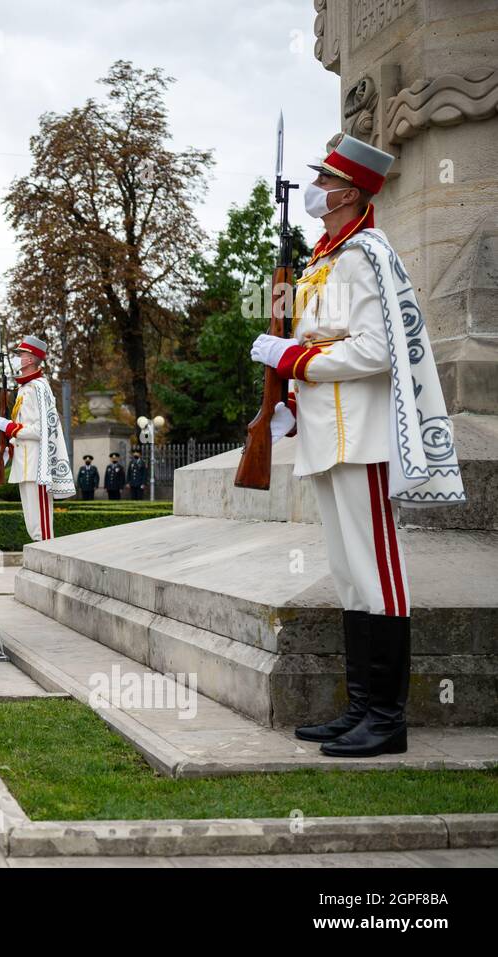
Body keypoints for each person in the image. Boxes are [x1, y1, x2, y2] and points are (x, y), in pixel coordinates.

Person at [250, 133, 464, 757]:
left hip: (362, 437)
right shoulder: (326, 258)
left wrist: (295, 359)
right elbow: (326, 343)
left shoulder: (365, 254)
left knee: (378, 574)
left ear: (347, 191)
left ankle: (388, 719)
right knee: (348, 575)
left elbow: (373, 350)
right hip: (327, 435)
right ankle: (360, 709)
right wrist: (287, 403)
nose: (315, 188)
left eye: (324, 180)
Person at [0, 334, 75, 542]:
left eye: (21, 354)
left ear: (30, 359)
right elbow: (25, 427)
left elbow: (42, 429)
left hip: (38, 464)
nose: (18, 358)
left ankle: (47, 556)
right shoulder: (24, 389)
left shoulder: (39, 387)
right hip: (24, 463)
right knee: (31, 521)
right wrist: (7, 450)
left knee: (42, 525)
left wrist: (10, 427)